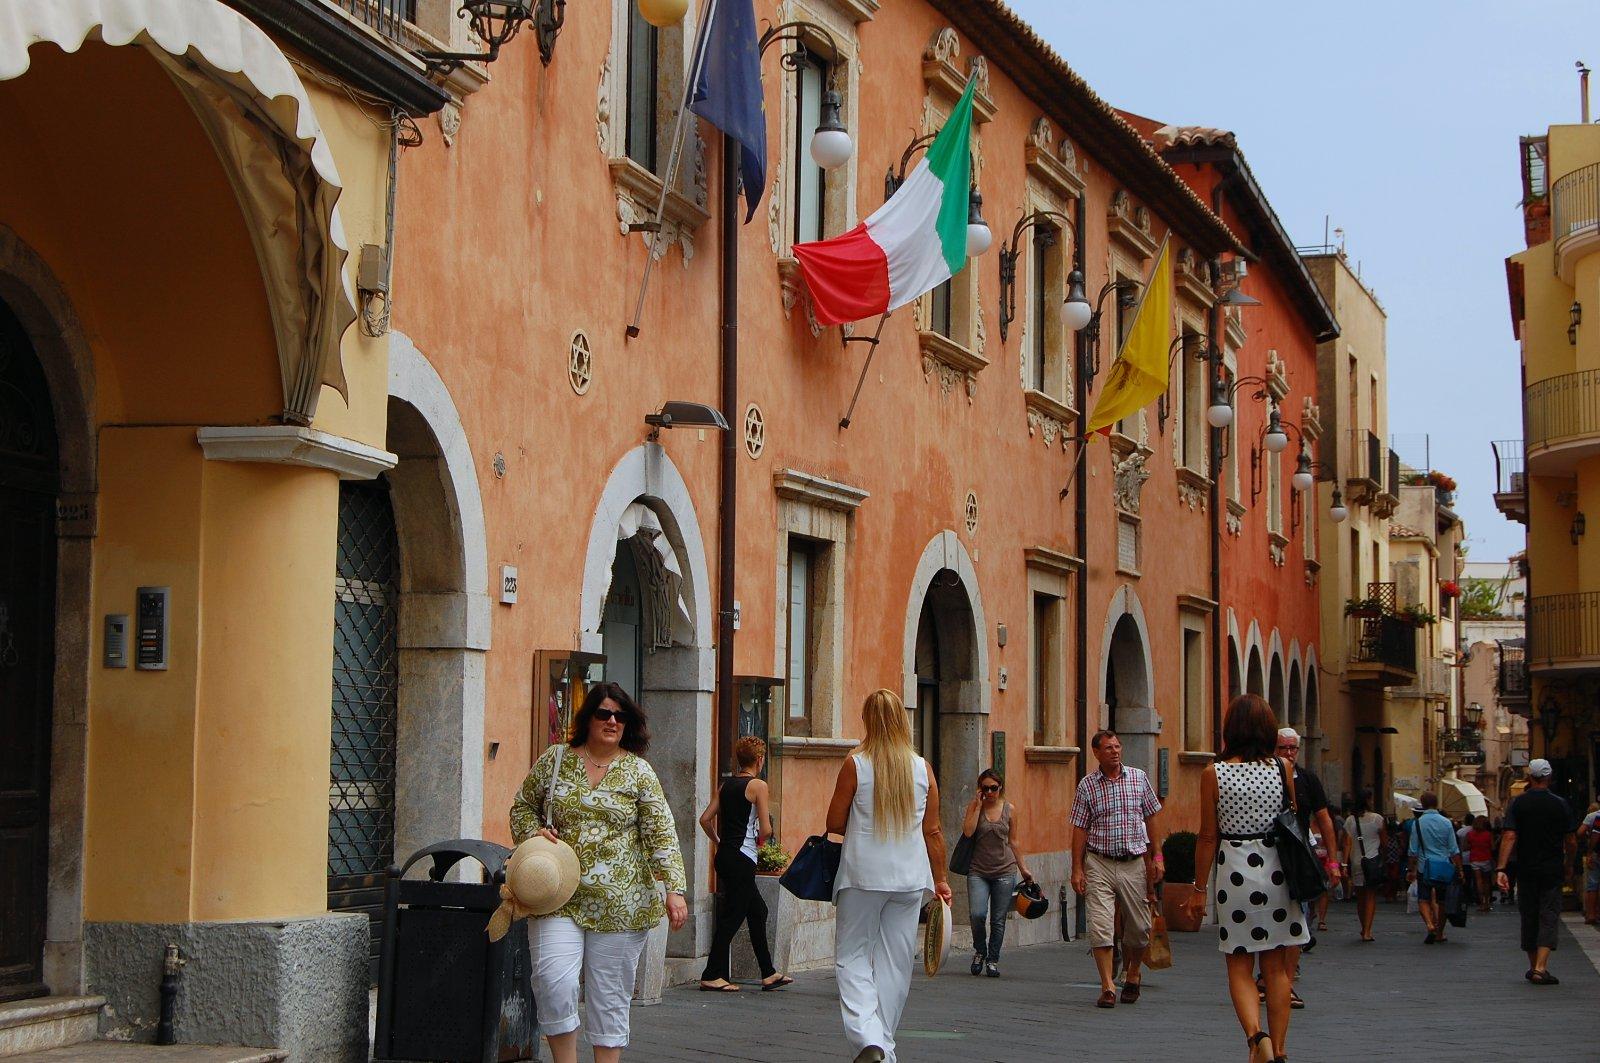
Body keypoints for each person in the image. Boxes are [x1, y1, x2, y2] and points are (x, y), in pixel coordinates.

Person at [510, 682, 687, 1063]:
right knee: (553, 981)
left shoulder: (639, 772)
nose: (612, 721)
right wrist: (533, 833)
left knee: (610, 994)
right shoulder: (555, 760)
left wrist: (674, 889)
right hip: (556, 893)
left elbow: (661, 832)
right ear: (588, 718)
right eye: (604, 713)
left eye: (620, 716)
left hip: (621, 901)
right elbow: (522, 806)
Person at [826, 689, 952, 1063]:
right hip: (910, 878)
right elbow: (933, 831)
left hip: (862, 875)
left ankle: (869, 1039)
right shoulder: (922, 769)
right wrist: (941, 880)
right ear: (903, 721)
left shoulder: (856, 764)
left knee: (852, 957)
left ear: (867, 720)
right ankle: (885, 1046)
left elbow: (834, 822)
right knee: (896, 964)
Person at [1186, 695, 1309, 1063]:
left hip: (1235, 872)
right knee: (1276, 968)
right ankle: (1280, 1050)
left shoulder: (1214, 774)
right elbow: (1292, 819)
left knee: (1239, 963)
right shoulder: (1283, 768)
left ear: (1231, 729)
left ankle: (1257, 1038)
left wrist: (1198, 889)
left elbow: (1208, 836)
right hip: (1277, 871)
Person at [1070, 730, 1162, 1008]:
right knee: (1100, 925)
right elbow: (1079, 828)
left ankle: (1133, 972)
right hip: (1099, 862)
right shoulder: (1087, 786)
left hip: (1133, 863)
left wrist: (1157, 857)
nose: (1115, 751)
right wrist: (1077, 868)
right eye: (1108, 748)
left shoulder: (1138, 778)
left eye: (1117, 746)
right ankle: (1107, 985)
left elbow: (1152, 816)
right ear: (1096, 753)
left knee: (1140, 928)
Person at [696, 736, 791, 992]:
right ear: (759, 759)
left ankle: (768, 972)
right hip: (743, 857)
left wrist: (718, 842)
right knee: (733, 916)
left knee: (758, 910)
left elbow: (705, 819)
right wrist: (759, 840)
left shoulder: (725, 786)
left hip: (726, 855)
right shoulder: (758, 785)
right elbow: (766, 829)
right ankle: (711, 974)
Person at [1261, 728, 1339, 1009]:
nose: (1288, 753)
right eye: (1282, 748)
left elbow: (1324, 818)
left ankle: (1286, 983)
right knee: (1267, 920)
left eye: (1292, 748)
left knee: (1298, 920)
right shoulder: (1262, 777)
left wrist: (1333, 861)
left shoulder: (1308, 780)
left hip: (1298, 858)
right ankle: (1266, 978)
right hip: (1266, 856)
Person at [1496, 759, 1578, 985]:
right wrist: (1569, 863)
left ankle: (1534, 966)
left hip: (1526, 869)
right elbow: (1571, 840)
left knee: (1529, 915)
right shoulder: (1561, 804)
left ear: (1529, 777)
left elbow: (1509, 836)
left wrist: (1501, 868)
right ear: (1549, 777)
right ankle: (1540, 967)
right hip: (1552, 869)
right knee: (1549, 914)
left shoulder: (1518, 804)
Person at [960, 768, 1033, 978]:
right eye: (985, 788)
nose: (990, 792)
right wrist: (977, 805)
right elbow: (968, 832)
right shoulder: (975, 807)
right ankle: (980, 951)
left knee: (998, 920)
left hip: (1004, 871)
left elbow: (1014, 842)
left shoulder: (1010, 809)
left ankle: (992, 959)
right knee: (977, 914)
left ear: (1000, 787)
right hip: (978, 870)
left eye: (993, 788)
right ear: (980, 789)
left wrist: (1024, 869)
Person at [1407, 792, 1463, 945]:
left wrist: (1410, 869)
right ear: (1436, 803)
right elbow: (1454, 849)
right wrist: (1460, 869)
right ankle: (1439, 932)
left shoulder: (1417, 823)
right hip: (1444, 866)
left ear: (1423, 804)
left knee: (1423, 899)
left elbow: (1413, 850)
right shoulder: (1446, 822)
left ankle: (1430, 924)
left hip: (1424, 866)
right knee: (1442, 901)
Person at [1341, 791, 1386, 942]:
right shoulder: (1377, 819)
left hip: (1356, 861)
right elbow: (1384, 842)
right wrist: (1383, 859)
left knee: (1360, 897)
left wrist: (1344, 864)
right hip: (1372, 861)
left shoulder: (1350, 820)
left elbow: (1347, 843)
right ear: (1368, 800)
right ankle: (1367, 930)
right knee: (1371, 896)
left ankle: (1363, 927)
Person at [1465, 815, 1496, 914]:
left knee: (1478, 881)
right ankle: (1487, 902)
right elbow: (1493, 847)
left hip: (1474, 858)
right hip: (1486, 858)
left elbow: (1465, 847)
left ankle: (1481, 902)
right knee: (1486, 881)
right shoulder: (1488, 834)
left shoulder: (1470, 834)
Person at [1580, 802, 1600, 925]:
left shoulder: (1597, 817)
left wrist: (1589, 852)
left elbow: (1595, 835)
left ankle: (1591, 914)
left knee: (1593, 885)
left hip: (1598, 854)